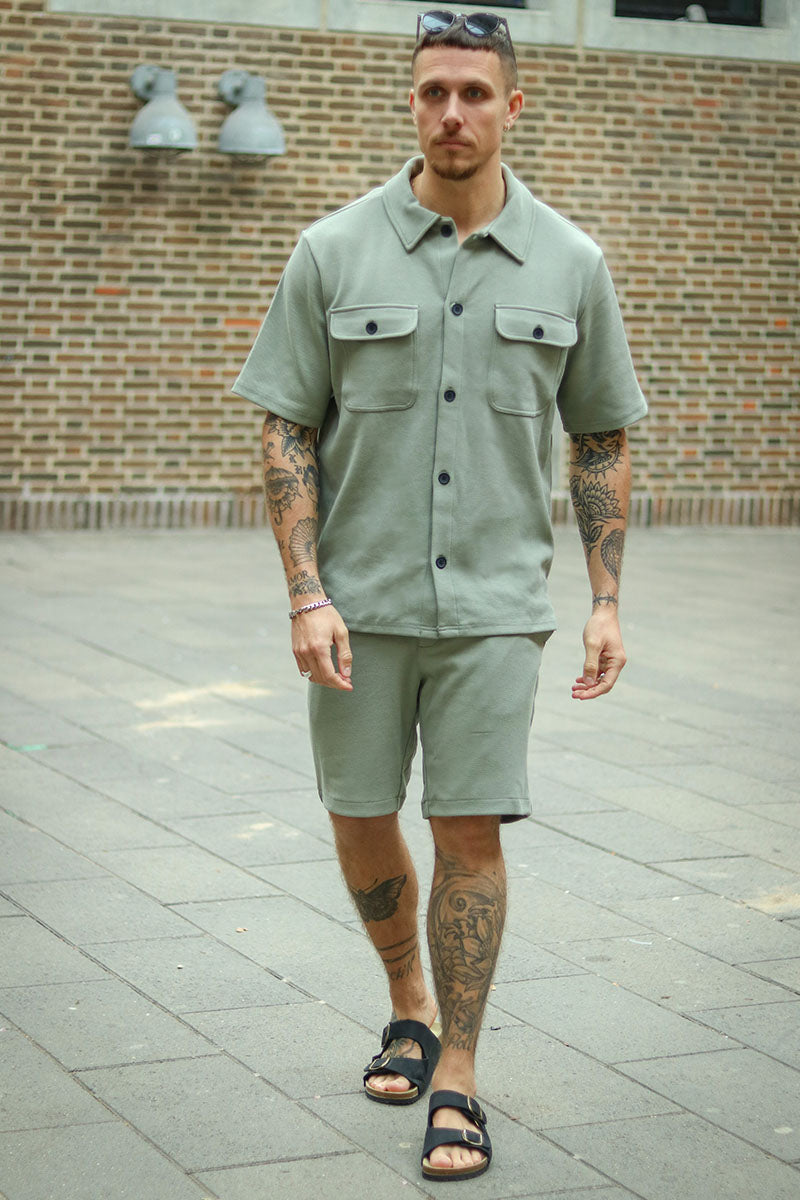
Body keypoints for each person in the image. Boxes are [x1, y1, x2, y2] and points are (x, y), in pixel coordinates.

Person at [232, 9, 647, 1182]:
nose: (451, 113)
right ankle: (406, 1004)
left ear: (511, 105)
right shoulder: (330, 251)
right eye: (431, 92)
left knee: (469, 832)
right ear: (410, 103)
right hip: (356, 609)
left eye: (472, 92)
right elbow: (284, 431)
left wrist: (604, 598)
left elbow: (601, 438)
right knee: (359, 814)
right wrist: (305, 593)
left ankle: (456, 1072)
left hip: (495, 613)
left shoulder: (570, 262)